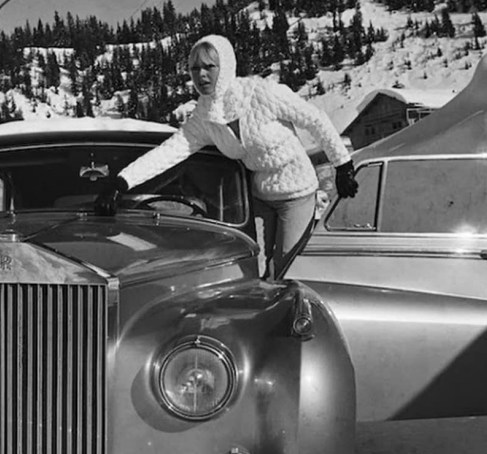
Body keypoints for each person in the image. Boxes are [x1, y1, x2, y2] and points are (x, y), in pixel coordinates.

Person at [95, 34, 358, 278]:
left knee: (286, 270)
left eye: (209, 66)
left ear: (226, 66)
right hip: (259, 195)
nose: (202, 75)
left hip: (297, 193)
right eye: (195, 69)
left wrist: (343, 165)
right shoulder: (204, 115)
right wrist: (121, 182)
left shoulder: (263, 93)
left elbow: (315, 120)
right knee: (249, 267)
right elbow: (170, 151)